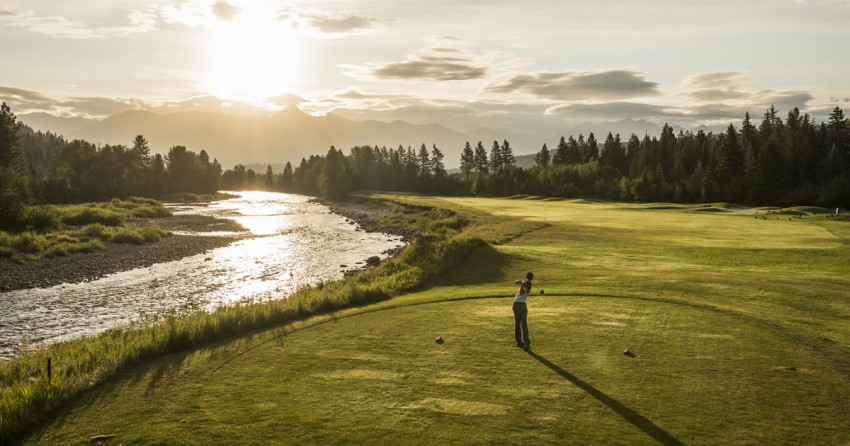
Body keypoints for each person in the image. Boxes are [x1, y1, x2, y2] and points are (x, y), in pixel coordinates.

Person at [513, 272, 534, 350]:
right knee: (524, 323)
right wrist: (522, 281)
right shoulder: (526, 284)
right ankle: (526, 340)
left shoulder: (528, 286)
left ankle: (520, 342)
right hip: (524, 306)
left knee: (517, 323)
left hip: (518, 305)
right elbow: (515, 282)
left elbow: (521, 293)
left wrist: (522, 283)